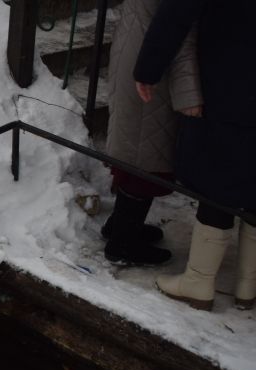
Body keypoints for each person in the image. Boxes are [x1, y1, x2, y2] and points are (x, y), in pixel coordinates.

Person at [134, 0, 256, 310]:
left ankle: (199, 282)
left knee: (219, 176)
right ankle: (248, 284)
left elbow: (178, 10)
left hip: (230, 76)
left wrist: (149, 66)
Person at [103, 0, 202, 266]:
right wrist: (189, 96)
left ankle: (120, 226)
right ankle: (122, 244)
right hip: (155, 68)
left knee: (134, 148)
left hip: (136, 49)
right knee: (146, 159)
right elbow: (180, 34)